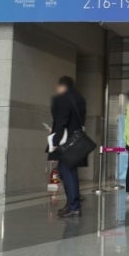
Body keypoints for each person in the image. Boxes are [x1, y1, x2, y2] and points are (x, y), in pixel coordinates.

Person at [50, 76, 86, 218]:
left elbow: (61, 121)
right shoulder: (79, 98)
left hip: (66, 142)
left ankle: (74, 206)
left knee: (67, 171)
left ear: (62, 86)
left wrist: (54, 142)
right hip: (76, 141)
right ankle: (71, 204)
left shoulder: (63, 98)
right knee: (68, 171)